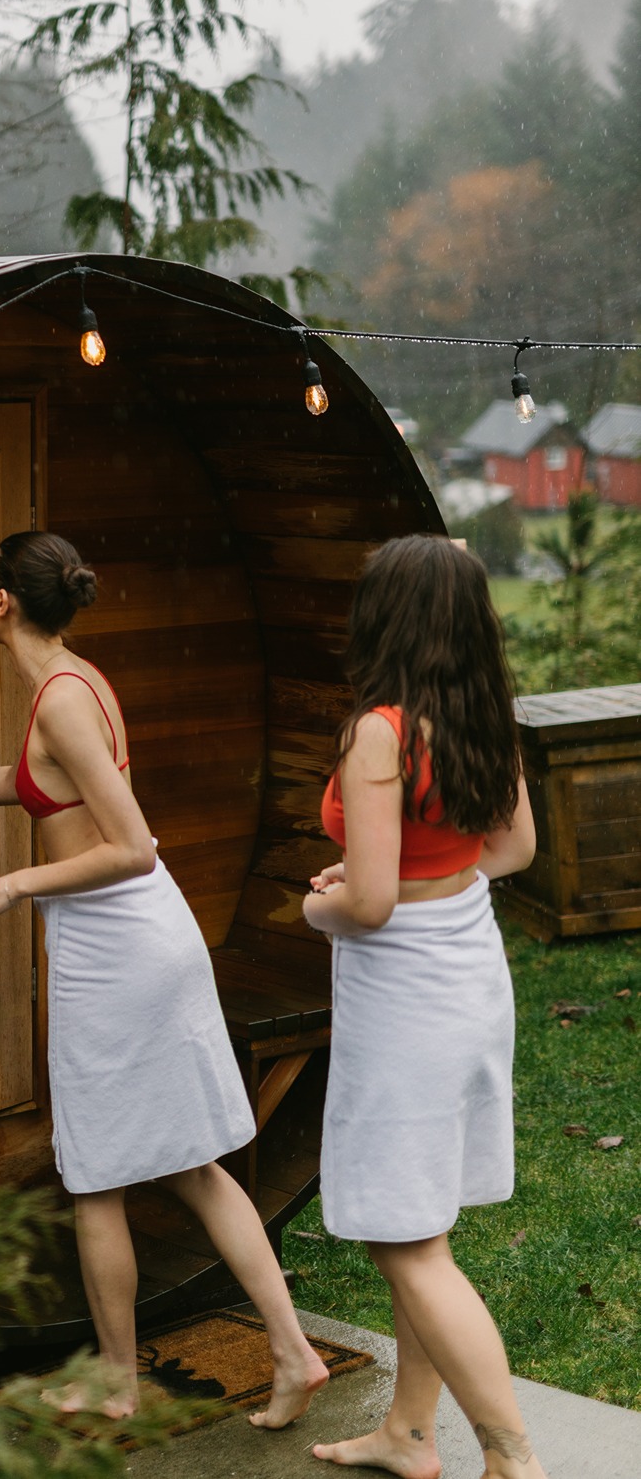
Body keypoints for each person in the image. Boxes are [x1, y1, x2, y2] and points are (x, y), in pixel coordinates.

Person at [0, 530, 329, 1423]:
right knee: (191, 1166)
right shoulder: (69, 681)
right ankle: (293, 1351)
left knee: (94, 1177)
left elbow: (132, 846)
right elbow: (33, 783)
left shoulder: (62, 701)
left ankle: (118, 1381)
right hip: (140, 943)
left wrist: (15, 881)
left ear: (2, 600)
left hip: (119, 952)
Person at [302, 535, 544, 1479]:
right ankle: (408, 1430)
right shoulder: (485, 711)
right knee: (421, 1218)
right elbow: (510, 851)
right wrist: (412, 875)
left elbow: (361, 905)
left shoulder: (383, 729)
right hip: (471, 977)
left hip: (405, 1002)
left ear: (387, 618)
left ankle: (513, 1454)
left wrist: (323, 899)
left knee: (402, 1239)